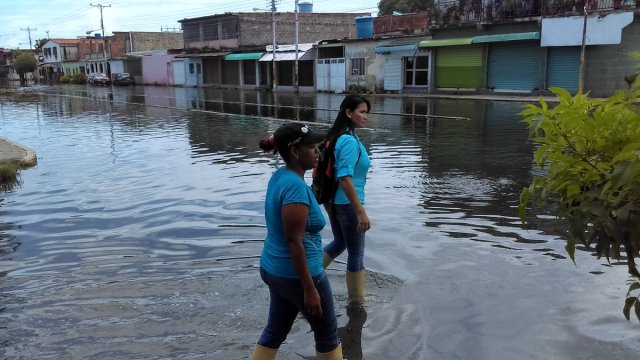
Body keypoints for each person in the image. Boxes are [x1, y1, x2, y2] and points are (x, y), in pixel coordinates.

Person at [252, 123, 343, 360]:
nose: (317, 152)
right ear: (294, 152)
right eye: (311, 147)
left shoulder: (280, 176)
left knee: (275, 330)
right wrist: (309, 288)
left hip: (274, 268)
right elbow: (294, 241)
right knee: (327, 335)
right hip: (298, 275)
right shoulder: (294, 188)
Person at [322, 95, 372, 309]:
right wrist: (360, 211)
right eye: (362, 112)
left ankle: (305, 276)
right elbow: (344, 178)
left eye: (366, 112)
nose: (366, 117)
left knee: (340, 242)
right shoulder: (349, 141)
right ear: (348, 113)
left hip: (332, 202)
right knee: (356, 252)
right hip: (348, 204)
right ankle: (356, 302)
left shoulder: (338, 136)